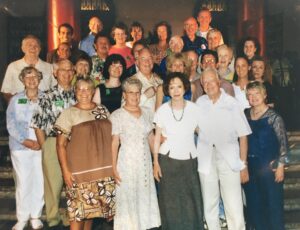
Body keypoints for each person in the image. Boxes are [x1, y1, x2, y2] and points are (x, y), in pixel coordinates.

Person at [55, 78, 115, 230]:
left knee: (92, 214)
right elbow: (60, 145)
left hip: (102, 170)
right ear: (75, 92)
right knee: (78, 214)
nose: (84, 93)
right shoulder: (68, 113)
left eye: (87, 89)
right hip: (79, 173)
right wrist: (65, 171)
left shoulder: (103, 110)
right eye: (80, 89)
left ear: (93, 91)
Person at [196, 68, 251, 230]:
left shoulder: (232, 103)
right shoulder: (200, 103)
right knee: (209, 204)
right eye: (205, 82)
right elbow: (195, 126)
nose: (209, 85)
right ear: (202, 85)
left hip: (229, 159)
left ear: (219, 81)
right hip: (206, 158)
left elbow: (243, 136)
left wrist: (243, 165)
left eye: (211, 81)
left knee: (233, 204)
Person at [153, 72, 203, 229]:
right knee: (170, 202)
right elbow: (156, 137)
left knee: (191, 200)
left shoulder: (195, 109)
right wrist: (155, 162)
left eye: (179, 86)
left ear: (185, 88)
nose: (175, 90)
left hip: (189, 160)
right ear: (167, 89)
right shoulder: (162, 110)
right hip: (167, 160)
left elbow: (201, 132)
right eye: (172, 87)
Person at [31, 59, 76, 229]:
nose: (67, 73)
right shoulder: (47, 96)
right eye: (63, 70)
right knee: (53, 183)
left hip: (75, 143)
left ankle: (74, 215)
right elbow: (37, 124)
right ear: (55, 73)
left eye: (70, 70)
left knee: (74, 182)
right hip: (52, 141)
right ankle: (53, 219)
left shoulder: (79, 94)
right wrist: (45, 147)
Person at [110, 77, 161, 230]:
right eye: (131, 93)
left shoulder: (146, 112)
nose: (135, 96)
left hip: (144, 162)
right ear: (124, 95)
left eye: (138, 93)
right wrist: (113, 167)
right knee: (128, 198)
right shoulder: (117, 115)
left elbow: (151, 137)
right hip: (126, 163)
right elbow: (114, 143)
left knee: (144, 196)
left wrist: (156, 161)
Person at [243, 81, 288, 230]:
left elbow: (283, 143)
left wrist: (281, 166)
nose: (253, 97)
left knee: (272, 205)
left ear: (264, 95)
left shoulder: (274, 117)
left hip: (269, 168)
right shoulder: (245, 115)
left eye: (257, 93)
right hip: (251, 168)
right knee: (255, 207)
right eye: (250, 94)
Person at [7, 67, 44, 230]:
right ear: (22, 79)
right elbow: (11, 124)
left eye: (35, 76)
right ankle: (22, 217)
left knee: (39, 180)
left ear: (40, 79)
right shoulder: (16, 100)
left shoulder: (46, 98)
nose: (32, 80)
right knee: (23, 182)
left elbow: (51, 120)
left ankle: (36, 216)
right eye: (28, 77)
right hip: (20, 147)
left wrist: (42, 142)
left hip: (41, 146)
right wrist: (25, 141)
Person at [1, 35, 54, 102]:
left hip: (44, 106)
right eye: (29, 45)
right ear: (23, 48)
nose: (33, 48)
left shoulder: (49, 67)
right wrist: (21, 103)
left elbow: (55, 89)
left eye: (36, 46)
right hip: (20, 107)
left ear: (40, 49)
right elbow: (6, 91)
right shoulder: (13, 66)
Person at [131, 48, 163, 112]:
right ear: (137, 62)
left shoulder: (160, 81)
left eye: (150, 58)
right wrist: (145, 96)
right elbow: (125, 108)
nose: (147, 62)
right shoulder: (131, 82)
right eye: (143, 59)